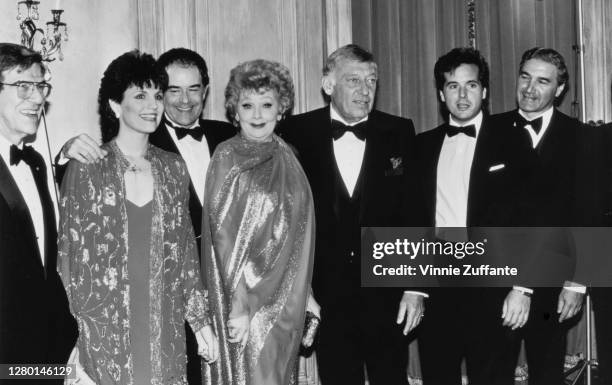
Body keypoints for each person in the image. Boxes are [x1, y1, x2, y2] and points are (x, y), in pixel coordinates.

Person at [59, 47, 234, 384]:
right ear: (114, 105)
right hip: (105, 330)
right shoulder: (86, 168)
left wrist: (200, 323)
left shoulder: (172, 168)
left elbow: (184, 253)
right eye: (140, 95)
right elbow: (70, 260)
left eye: (156, 95)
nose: (153, 105)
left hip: (164, 326)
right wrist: (82, 334)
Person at [280, 44, 421, 385]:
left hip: (387, 291)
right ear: (328, 85)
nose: (365, 90)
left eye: (371, 80)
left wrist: (415, 288)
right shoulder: (296, 133)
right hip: (325, 293)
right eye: (354, 80)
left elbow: (415, 211)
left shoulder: (399, 131)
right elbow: (285, 218)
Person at [415, 47, 531, 385]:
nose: (462, 95)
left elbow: (531, 216)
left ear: (485, 90)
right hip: (437, 281)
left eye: (470, 85)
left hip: (494, 281)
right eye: (453, 86)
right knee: (438, 373)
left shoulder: (513, 140)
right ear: (441, 93)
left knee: (492, 377)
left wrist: (522, 287)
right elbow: (412, 217)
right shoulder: (422, 146)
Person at [201, 59, 316, 385]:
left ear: (282, 109)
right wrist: (240, 305)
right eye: (247, 105)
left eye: (266, 105)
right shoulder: (227, 156)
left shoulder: (287, 155)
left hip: (285, 305)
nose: (257, 114)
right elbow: (224, 238)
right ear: (234, 110)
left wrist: (308, 294)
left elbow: (298, 232)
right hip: (246, 308)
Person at [493, 47, 583, 385]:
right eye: (525, 77)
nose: (530, 88)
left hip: (554, 283)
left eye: (543, 81)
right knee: (494, 372)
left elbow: (590, 214)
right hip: (496, 280)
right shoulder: (490, 130)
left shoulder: (580, 137)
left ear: (560, 89)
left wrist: (579, 282)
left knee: (547, 373)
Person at [0, 42, 77, 385]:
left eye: (40, 86)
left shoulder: (37, 163)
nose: (36, 98)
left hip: (48, 353)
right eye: (23, 87)